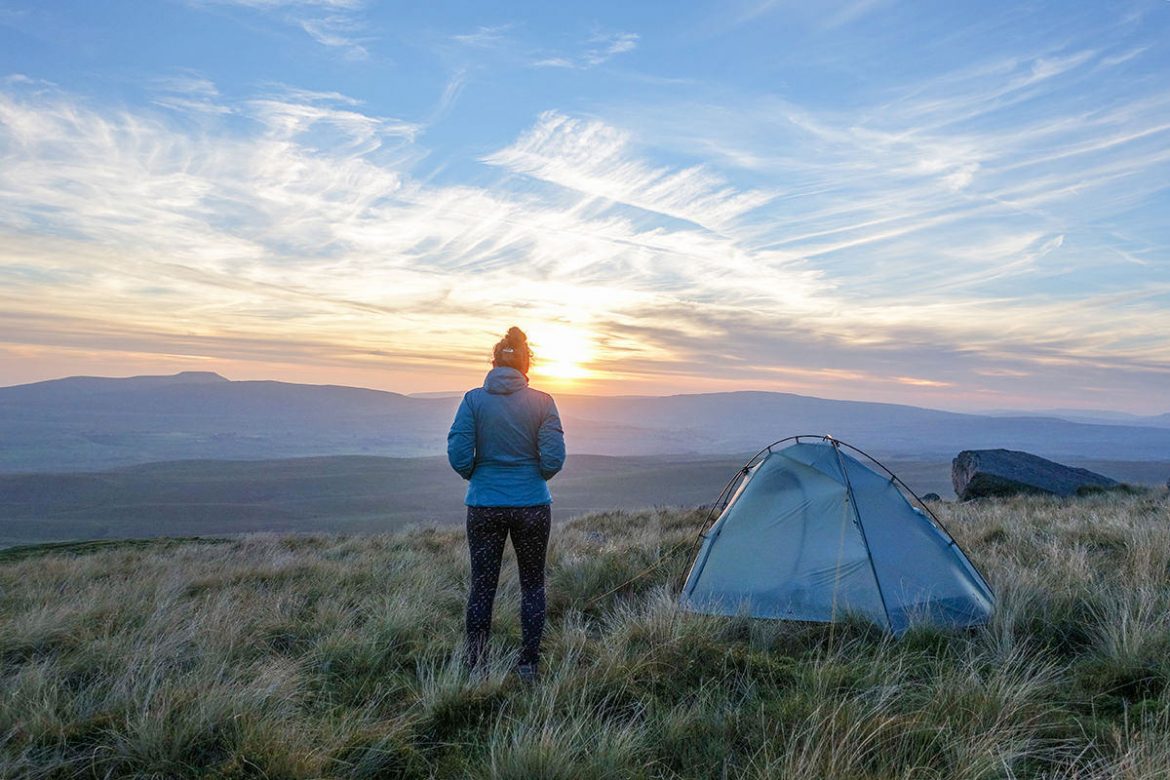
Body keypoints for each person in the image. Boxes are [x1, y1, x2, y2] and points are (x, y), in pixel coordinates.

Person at [447, 326, 565, 682]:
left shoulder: (473, 400)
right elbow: (554, 459)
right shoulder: (543, 402)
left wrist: (477, 475)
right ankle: (528, 664)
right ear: (526, 364)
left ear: (495, 361)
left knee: (482, 586)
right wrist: (535, 474)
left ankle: (477, 666)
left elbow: (457, 452)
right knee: (532, 584)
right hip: (532, 505)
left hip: (484, 505)